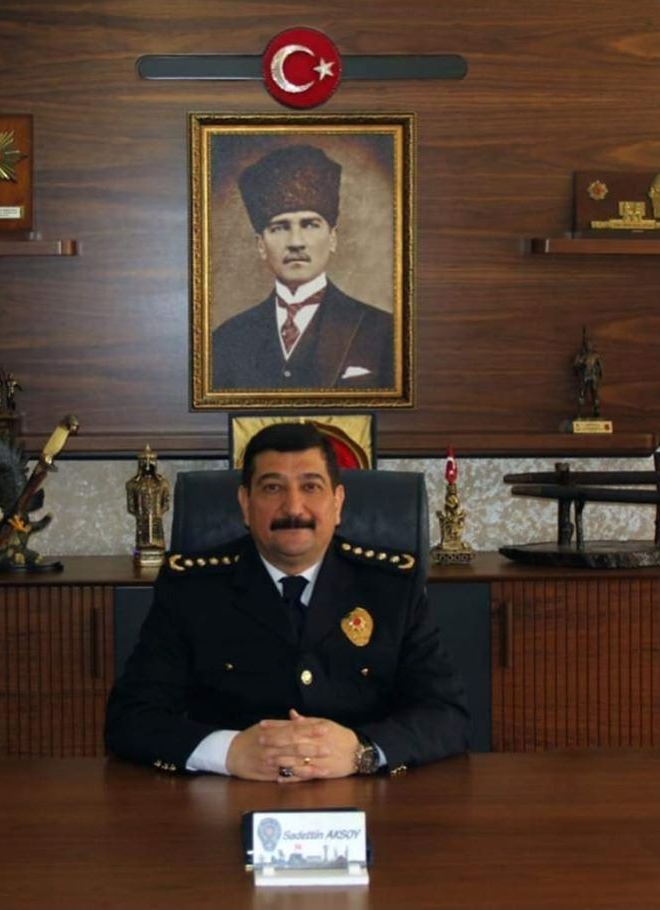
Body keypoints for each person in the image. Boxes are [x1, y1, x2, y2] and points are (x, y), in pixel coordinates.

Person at [105, 422, 470, 780]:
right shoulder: (192, 590)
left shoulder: (391, 589)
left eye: (311, 486)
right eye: (272, 487)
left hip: (364, 797)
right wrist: (228, 752)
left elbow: (448, 715)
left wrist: (364, 751)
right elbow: (130, 717)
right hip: (228, 797)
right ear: (245, 503)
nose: (293, 507)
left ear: (338, 502)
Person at [211, 144, 394, 390]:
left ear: (332, 238)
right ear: (261, 245)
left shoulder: (384, 331)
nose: (296, 242)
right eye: (280, 227)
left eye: (309, 225)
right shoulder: (227, 339)